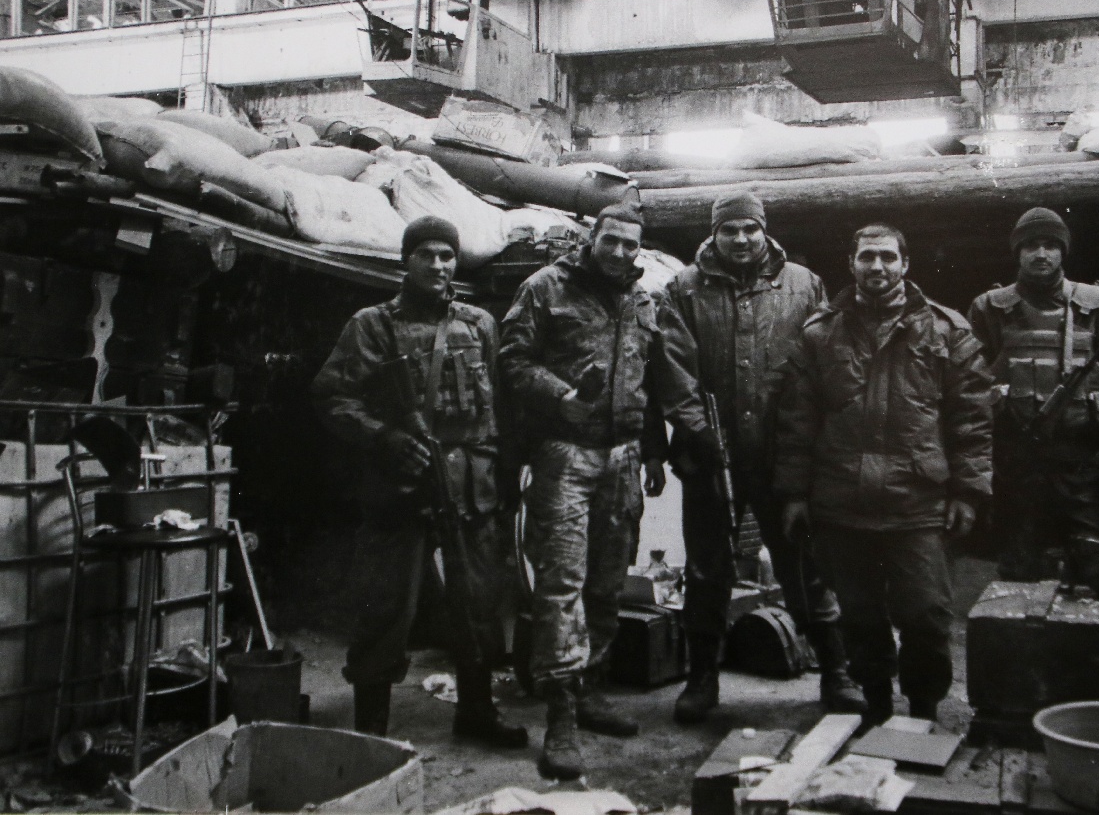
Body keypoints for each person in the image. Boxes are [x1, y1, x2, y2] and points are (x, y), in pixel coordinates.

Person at [312, 216, 527, 748]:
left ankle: (476, 711)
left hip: (471, 485)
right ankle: (371, 732)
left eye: (447, 255)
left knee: (478, 605)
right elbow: (332, 397)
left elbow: (499, 406)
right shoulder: (372, 325)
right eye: (426, 254)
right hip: (402, 485)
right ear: (406, 261)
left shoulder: (480, 323)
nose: (437, 265)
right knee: (387, 609)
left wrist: (506, 472)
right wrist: (383, 438)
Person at [656, 191, 864, 723]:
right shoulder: (683, 288)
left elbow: (822, 361)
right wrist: (699, 431)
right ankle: (702, 678)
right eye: (729, 230)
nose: (741, 239)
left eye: (750, 228)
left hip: (785, 456)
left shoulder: (803, 283)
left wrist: (808, 436)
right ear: (714, 234)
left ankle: (835, 671)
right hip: (711, 457)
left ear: (764, 230)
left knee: (806, 563)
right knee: (707, 568)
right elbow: (673, 369)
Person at [774, 223, 992, 726]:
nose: (877, 266)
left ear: (905, 264)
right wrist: (793, 494)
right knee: (860, 615)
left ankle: (922, 710)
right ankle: (875, 707)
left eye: (888, 257)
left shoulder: (947, 330)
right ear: (851, 264)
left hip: (916, 502)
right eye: (867, 257)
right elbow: (797, 421)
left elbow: (972, 419)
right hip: (841, 501)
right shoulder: (820, 333)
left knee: (927, 613)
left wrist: (968, 491)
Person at [499, 202, 668, 780]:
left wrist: (653, 450)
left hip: (622, 457)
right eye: (610, 240)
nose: (620, 252)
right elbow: (512, 361)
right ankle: (561, 713)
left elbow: (648, 380)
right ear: (591, 237)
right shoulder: (544, 287)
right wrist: (560, 396)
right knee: (561, 583)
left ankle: (591, 687)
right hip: (564, 454)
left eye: (630, 245)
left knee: (607, 582)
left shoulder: (642, 299)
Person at [967, 207, 1099, 580]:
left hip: (1085, 461)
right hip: (1017, 463)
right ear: (1017, 252)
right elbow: (967, 384)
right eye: (1031, 245)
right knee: (1019, 574)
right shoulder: (989, 308)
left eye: (1050, 245)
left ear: (1063, 251)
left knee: (1097, 566)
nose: (1041, 254)